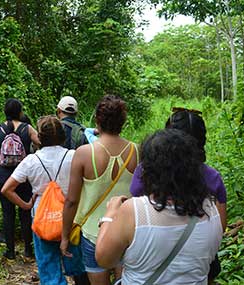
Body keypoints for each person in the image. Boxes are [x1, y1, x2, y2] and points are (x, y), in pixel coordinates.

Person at [95, 129, 223, 285]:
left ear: (148, 169)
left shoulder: (135, 211)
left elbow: (104, 260)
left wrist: (109, 215)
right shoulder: (210, 208)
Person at [129, 107, 227, 283]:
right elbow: (220, 225)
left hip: (151, 253)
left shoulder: (145, 172)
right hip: (198, 260)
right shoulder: (212, 177)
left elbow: (134, 214)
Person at [1, 115, 89, 285]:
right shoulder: (74, 156)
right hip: (72, 218)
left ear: (40, 138)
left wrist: (26, 205)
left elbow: (6, 189)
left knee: (49, 269)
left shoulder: (31, 161)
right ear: (63, 136)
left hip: (43, 219)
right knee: (79, 267)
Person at [60, 95, 139, 285]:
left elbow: (71, 200)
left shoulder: (84, 153)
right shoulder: (137, 151)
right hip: (127, 231)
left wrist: (64, 237)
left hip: (93, 233)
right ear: (123, 122)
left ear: (97, 120)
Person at [0, 98, 40, 259]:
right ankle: (28, 249)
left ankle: (10, 251)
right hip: (23, 176)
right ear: (20, 112)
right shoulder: (28, 129)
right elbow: (41, 143)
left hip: (4, 175)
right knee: (25, 211)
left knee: (7, 212)